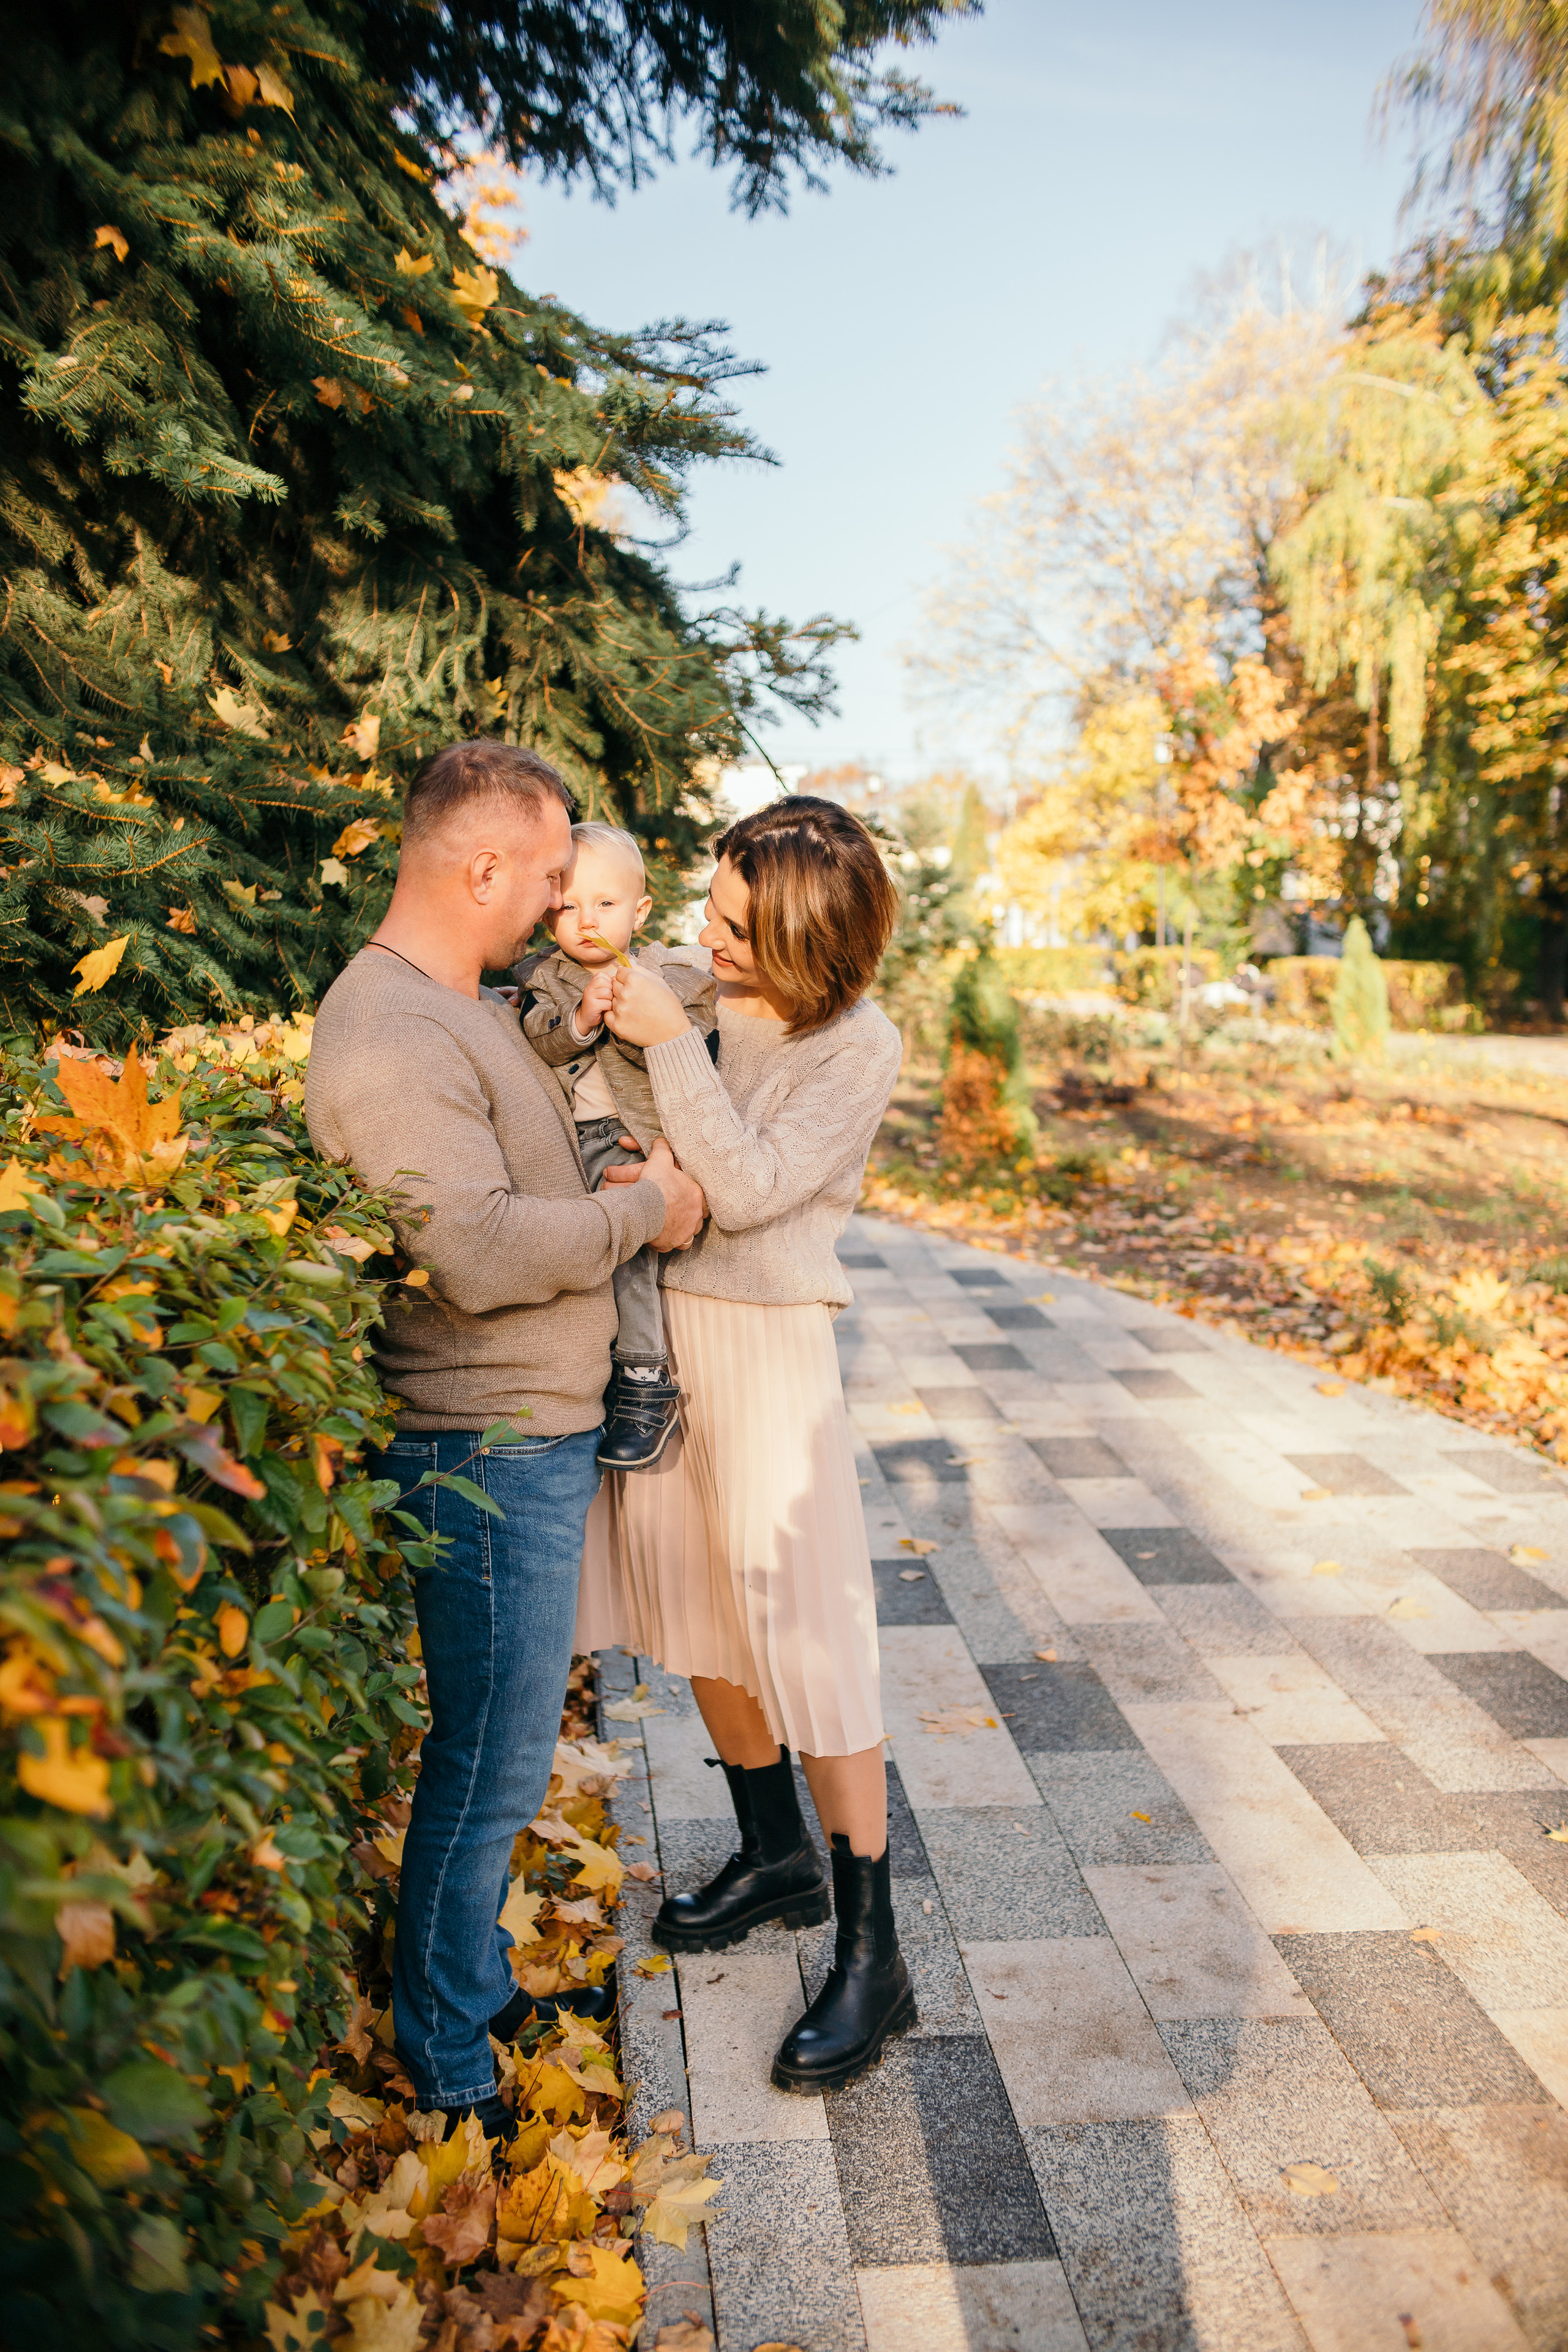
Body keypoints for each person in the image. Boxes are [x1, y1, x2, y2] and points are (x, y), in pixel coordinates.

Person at [304, 740, 704, 2139]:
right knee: (486, 1770)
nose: (554, 902)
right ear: (480, 868)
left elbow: (516, 1174)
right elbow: (471, 1249)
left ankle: (467, 1990)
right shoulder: (390, 1030)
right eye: (542, 875)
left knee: (503, 1757)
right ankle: (448, 2061)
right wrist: (642, 1214)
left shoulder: (456, 1008)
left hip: (522, 1439)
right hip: (481, 1446)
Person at [577, 794, 913, 2092]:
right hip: (662, 1343)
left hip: (769, 1353)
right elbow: (639, 1141)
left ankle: (874, 1954)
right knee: (701, 1612)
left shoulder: (855, 1045)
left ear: (807, 938)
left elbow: (754, 1189)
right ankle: (776, 1854)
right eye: (708, 912)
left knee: (809, 1638)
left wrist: (673, 1049)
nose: (706, 939)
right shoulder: (687, 985)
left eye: (735, 927)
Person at [516, 822, 717, 1472]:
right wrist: (580, 1019)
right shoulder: (548, 978)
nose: (586, 921)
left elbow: (695, 1050)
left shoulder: (671, 976)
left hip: (632, 1140)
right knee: (564, 1254)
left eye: (605, 903)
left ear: (640, 910)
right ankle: (582, 1374)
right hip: (563, 1143)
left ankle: (644, 1379)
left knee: (627, 1254)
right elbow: (540, 1039)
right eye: (568, 906)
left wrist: (640, 1021)